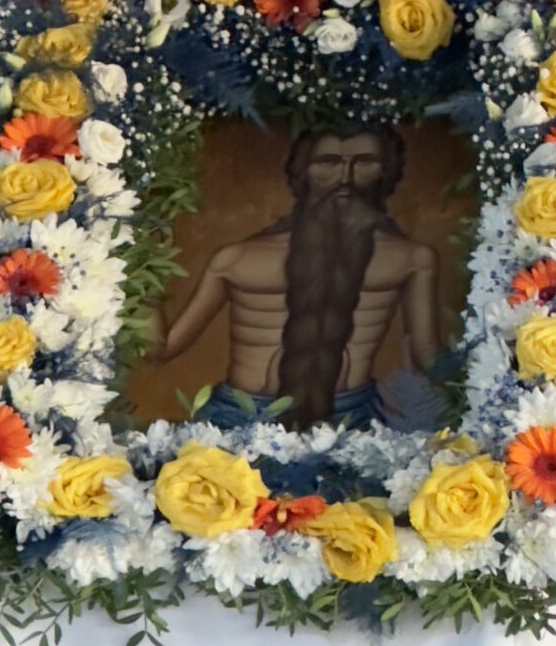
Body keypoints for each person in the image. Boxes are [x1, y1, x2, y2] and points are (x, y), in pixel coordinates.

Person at [147, 127, 441, 429]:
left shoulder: (410, 258)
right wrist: (146, 268)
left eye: (365, 161)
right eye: (329, 161)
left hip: (352, 419)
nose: (346, 177)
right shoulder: (237, 258)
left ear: (387, 170)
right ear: (303, 170)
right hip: (238, 417)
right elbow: (159, 349)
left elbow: (428, 357)